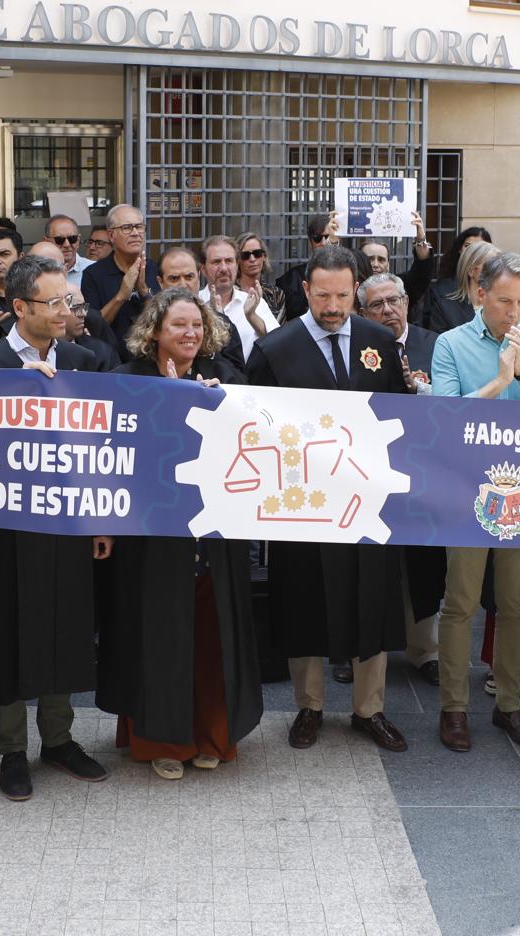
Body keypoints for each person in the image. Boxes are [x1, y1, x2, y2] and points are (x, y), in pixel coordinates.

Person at [247, 246, 412, 754]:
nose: (333, 305)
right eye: (323, 295)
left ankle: (370, 709)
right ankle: (309, 705)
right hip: (302, 501)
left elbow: (398, 417)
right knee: (303, 599)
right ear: (306, 291)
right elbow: (253, 422)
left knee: (372, 600)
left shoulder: (379, 342)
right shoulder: (277, 348)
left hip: (364, 498)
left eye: (343, 295)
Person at [0, 256, 110, 798]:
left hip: (68, 520)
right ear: (19, 307)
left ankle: (59, 738)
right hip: (4, 526)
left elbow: (102, 450)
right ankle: (11, 751)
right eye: (53, 303)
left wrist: (100, 519)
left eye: (68, 301)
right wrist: (11, 391)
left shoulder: (84, 360)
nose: (64, 311)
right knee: (8, 631)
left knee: (65, 627)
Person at [104, 288, 263, 779]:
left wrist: (223, 404)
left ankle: (213, 735)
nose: (191, 333)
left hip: (216, 535)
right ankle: (161, 742)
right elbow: (110, 457)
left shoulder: (227, 377)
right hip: (152, 537)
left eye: (197, 325)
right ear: (154, 331)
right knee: (160, 634)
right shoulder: (125, 381)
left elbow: (256, 439)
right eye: (179, 325)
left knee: (213, 636)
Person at [429, 251, 520, 752]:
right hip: (466, 487)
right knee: (461, 601)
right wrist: (499, 381)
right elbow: (445, 416)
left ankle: (508, 705)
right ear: (480, 293)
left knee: (515, 602)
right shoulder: (450, 343)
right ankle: (453, 708)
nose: (515, 312)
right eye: (505, 300)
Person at [355, 272, 442, 688]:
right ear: (363, 311)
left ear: (407, 301)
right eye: (376, 305)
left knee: (423, 563)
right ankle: (359, 647)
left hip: (424, 470)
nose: (388, 310)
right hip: (367, 469)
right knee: (369, 562)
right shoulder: (358, 347)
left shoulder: (434, 344)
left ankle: (425, 650)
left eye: (394, 301)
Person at [81, 204, 160, 343]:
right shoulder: (93, 274)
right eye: (127, 228)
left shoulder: (156, 269)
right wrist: (121, 296)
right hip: (111, 358)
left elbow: (165, 321)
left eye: (139, 227)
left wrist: (143, 291)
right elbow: (92, 328)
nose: (135, 233)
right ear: (111, 235)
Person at [199, 235, 278, 360]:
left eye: (229, 261)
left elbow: (277, 344)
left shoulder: (254, 302)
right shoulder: (195, 303)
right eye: (216, 262)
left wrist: (252, 316)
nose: (224, 268)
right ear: (203, 269)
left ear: (237, 265)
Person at [421, 235, 496, 334]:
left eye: (499, 267)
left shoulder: (504, 305)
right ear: (471, 270)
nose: (497, 271)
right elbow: (439, 345)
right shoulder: (445, 309)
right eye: (490, 266)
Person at [275, 213, 339, 321]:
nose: (323, 243)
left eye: (328, 237)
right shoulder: (292, 279)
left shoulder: (347, 273)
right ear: (310, 241)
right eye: (317, 238)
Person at [235, 232, 283, 322]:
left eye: (257, 253)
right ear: (237, 260)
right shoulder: (230, 292)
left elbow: (281, 332)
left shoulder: (276, 294)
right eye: (245, 255)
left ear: (264, 256)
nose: (252, 259)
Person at [47, 215, 94, 285]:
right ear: (46, 241)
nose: (67, 245)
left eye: (72, 238)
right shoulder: (37, 272)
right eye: (59, 240)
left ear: (78, 239)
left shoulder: (94, 269)